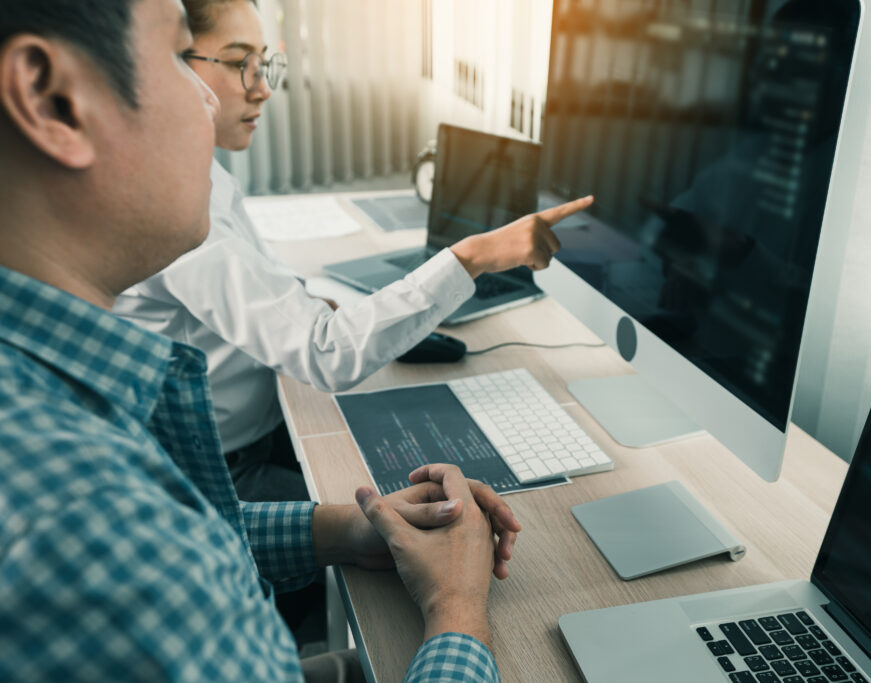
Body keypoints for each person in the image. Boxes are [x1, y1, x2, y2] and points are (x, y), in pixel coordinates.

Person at [0, 0, 540, 679]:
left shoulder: (62, 414)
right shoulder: (87, 508)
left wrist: (342, 527)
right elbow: (146, 549)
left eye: (265, 66)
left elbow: (181, 544)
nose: (217, 97)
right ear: (53, 101)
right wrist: (458, 607)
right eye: (179, 55)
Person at [112, 0, 594, 505]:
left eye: (264, 64)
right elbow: (327, 356)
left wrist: (320, 306)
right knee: (418, 515)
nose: (263, 88)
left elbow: (263, 291)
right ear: (169, 66)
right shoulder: (173, 203)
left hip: (258, 428)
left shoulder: (204, 174)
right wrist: (472, 256)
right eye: (240, 64)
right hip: (220, 473)